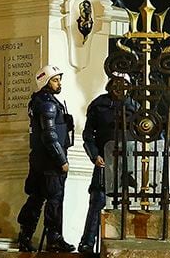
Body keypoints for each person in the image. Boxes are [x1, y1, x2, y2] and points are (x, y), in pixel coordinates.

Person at [17, 64, 76, 252]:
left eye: (59, 79)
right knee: (54, 199)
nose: (59, 84)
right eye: (55, 80)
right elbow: (49, 135)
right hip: (51, 162)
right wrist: (62, 160)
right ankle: (54, 238)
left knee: (36, 198)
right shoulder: (48, 104)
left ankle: (25, 236)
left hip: (39, 160)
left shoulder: (40, 101)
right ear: (45, 81)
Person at [78, 72, 135, 255]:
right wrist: (94, 155)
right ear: (110, 84)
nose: (119, 88)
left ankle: (121, 241)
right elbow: (88, 135)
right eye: (116, 83)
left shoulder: (134, 106)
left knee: (126, 202)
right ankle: (87, 243)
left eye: (124, 84)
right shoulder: (99, 105)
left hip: (127, 162)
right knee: (98, 200)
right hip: (105, 161)